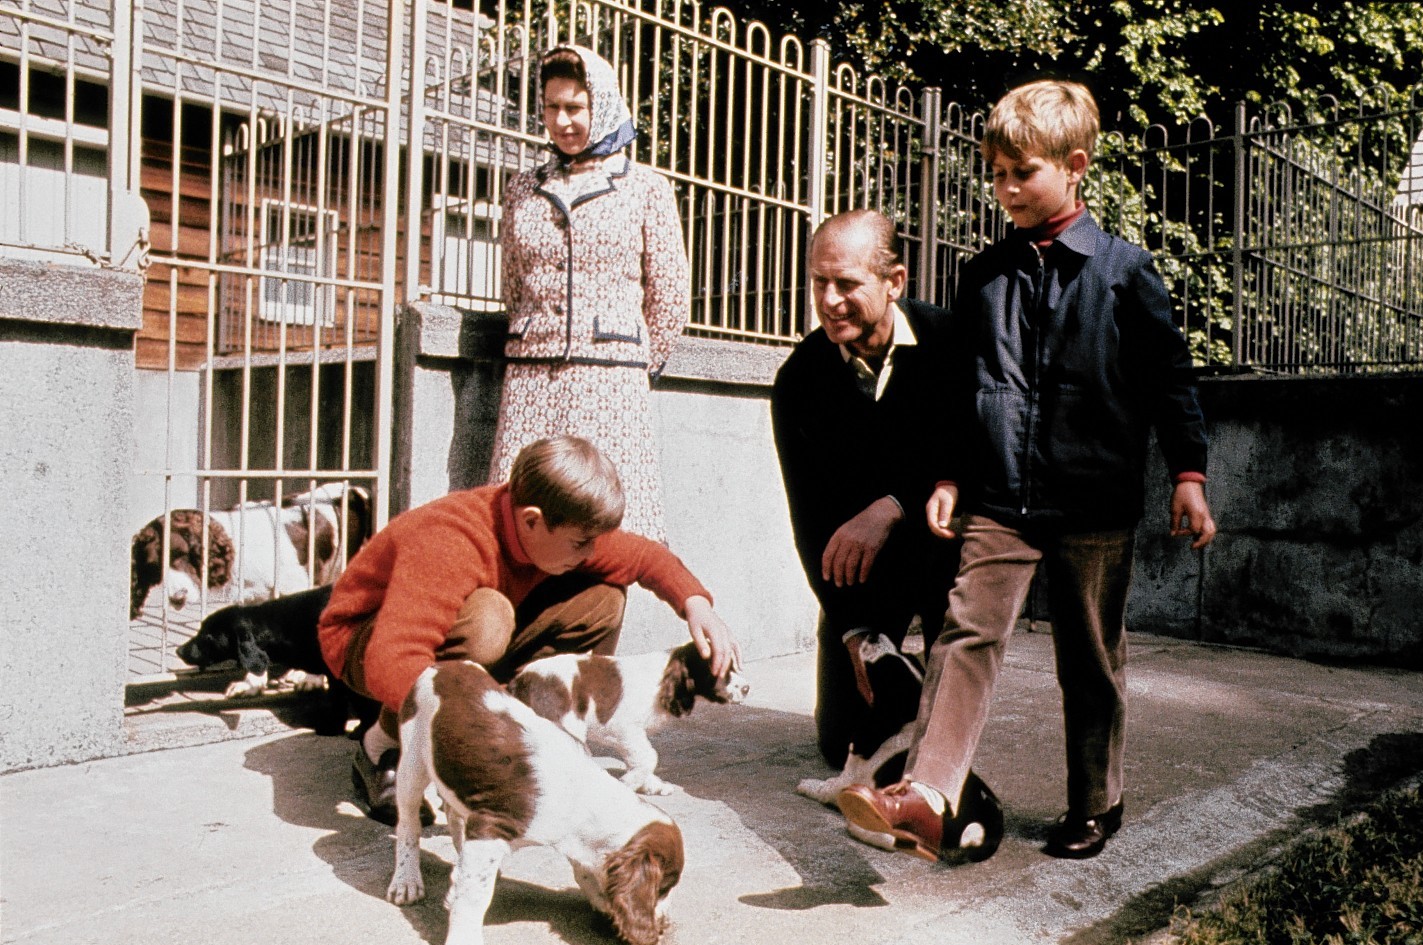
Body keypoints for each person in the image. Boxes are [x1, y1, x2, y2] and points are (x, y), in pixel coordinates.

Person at [838, 79, 1217, 862]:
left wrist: (1189, 473)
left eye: (1023, 173)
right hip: (1000, 494)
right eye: (997, 173)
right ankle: (929, 791)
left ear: (1074, 166)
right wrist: (946, 475)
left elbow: (1169, 379)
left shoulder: (1124, 272)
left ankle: (1095, 800)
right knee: (965, 631)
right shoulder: (984, 276)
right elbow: (958, 391)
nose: (1006, 189)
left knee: (1090, 654)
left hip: (1094, 498)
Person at [319, 435, 739, 825]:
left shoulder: (555, 524)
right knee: (488, 618)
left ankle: (538, 733)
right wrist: (471, 737)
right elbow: (394, 660)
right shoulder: (451, 538)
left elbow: (643, 557)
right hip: (366, 642)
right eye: (581, 543)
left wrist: (697, 605)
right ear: (533, 520)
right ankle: (379, 749)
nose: (592, 552)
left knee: (604, 598)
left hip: (442, 638)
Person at [771, 209, 963, 772]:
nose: (830, 301)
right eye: (818, 283)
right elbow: (810, 523)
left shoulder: (950, 343)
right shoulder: (799, 380)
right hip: (865, 572)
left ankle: (941, 685)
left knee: (937, 746)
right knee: (841, 746)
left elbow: (972, 453)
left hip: (944, 549)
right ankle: (892, 674)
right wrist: (855, 633)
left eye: (847, 284)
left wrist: (893, 505)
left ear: (894, 282)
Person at [488, 44, 690, 544]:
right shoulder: (521, 188)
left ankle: (596, 620)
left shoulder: (645, 188)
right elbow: (514, 281)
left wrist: (635, 361)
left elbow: (669, 292)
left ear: (601, 104)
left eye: (575, 108)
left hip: (610, 382)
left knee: (604, 524)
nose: (562, 121)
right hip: (531, 378)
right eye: (552, 108)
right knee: (527, 520)